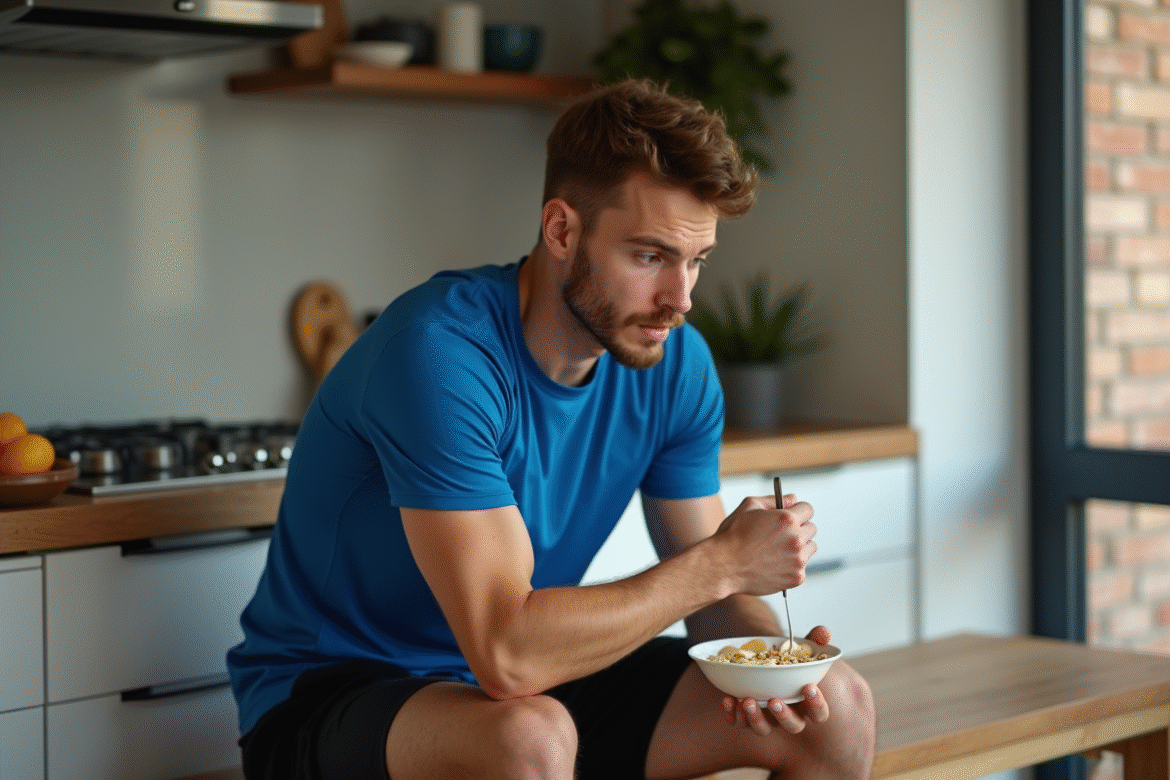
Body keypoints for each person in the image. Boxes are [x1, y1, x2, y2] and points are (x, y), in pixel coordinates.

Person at [226, 78, 875, 780]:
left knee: (837, 706)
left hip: (527, 689)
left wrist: (774, 677)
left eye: (697, 261)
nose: (680, 300)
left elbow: (714, 603)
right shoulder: (441, 355)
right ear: (562, 229)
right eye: (650, 256)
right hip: (333, 694)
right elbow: (508, 651)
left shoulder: (673, 361)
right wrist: (721, 564)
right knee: (528, 737)